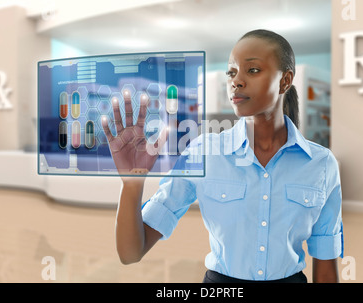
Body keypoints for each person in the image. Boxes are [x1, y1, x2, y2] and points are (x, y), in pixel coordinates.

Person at [102, 29, 343, 283]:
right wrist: (132, 183)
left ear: (285, 80)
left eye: (252, 70)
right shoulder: (203, 153)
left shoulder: (322, 164)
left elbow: (326, 268)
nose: (236, 81)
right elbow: (130, 253)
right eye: (231, 72)